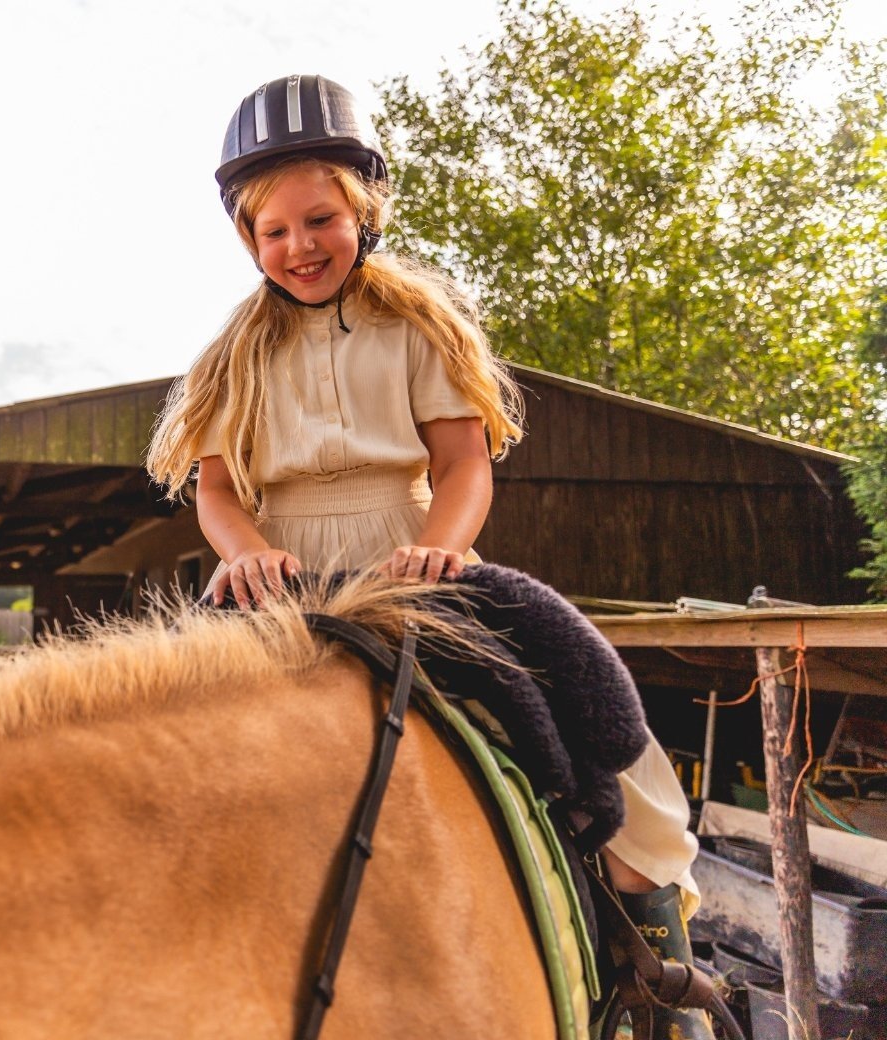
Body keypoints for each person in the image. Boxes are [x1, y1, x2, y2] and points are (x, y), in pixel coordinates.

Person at [146, 74, 710, 1039]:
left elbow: (462, 467)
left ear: (363, 210)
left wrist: (436, 551)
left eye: (319, 219)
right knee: (152, 727)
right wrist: (240, 555)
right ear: (249, 240)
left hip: (408, 560)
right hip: (280, 575)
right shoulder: (229, 359)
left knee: (602, 712)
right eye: (273, 232)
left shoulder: (418, 327)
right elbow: (217, 491)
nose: (300, 246)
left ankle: (657, 967)